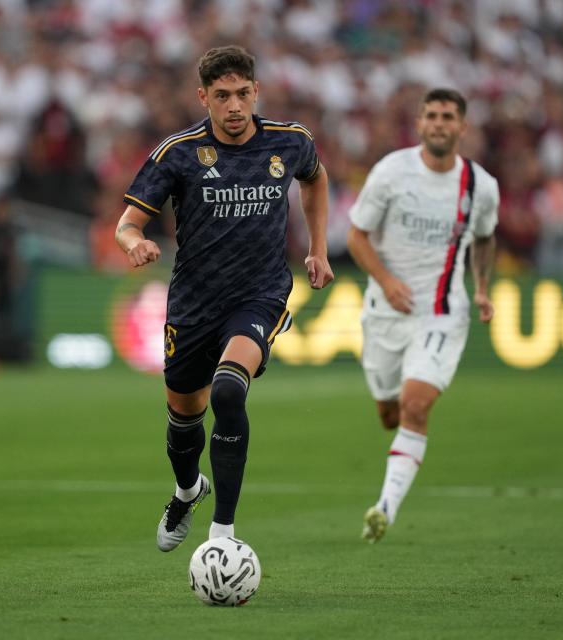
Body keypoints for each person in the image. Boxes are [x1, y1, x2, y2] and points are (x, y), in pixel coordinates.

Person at [114, 45, 334, 551]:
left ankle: (223, 535)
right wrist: (136, 243)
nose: (234, 106)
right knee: (184, 417)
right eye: (221, 96)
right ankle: (188, 489)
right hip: (193, 303)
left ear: (256, 91)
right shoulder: (179, 152)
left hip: (260, 293)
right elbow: (127, 224)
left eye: (241, 94)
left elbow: (315, 179)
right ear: (203, 97)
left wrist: (318, 249)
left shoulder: (290, 142)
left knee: (229, 391)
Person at [347, 88, 499, 543]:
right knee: (389, 413)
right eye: (431, 115)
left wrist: (484, 288)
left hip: (441, 313)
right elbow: (356, 237)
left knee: (416, 404)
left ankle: (384, 508)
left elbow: (486, 237)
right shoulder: (392, 172)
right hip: (385, 312)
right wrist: (387, 280)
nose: (439, 123)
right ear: (419, 123)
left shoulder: (480, 186)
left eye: (448, 116)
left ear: (462, 127)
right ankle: (393, 450)